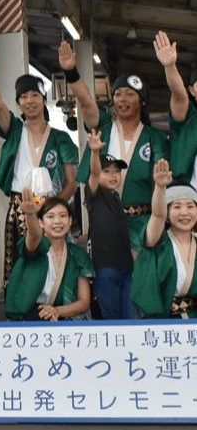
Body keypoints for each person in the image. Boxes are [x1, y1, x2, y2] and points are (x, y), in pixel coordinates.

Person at [0, 41, 78, 284]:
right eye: (23, 97)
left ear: (43, 99)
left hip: (52, 211)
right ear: (19, 103)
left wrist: (52, 210)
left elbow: (71, 183)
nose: (29, 101)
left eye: (35, 96)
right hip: (19, 208)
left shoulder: (61, 139)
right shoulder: (14, 130)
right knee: (20, 271)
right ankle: (21, 315)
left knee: (54, 269)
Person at [61, 40, 170, 258]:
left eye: (130, 94)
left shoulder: (154, 137)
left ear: (142, 101)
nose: (122, 99)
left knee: (138, 282)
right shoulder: (103, 128)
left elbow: (162, 180)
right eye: (118, 93)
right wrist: (71, 72)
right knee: (107, 281)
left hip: (142, 223)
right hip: (105, 220)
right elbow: (86, 102)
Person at [4, 189, 93, 321]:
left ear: (70, 221)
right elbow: (34, 236)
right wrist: (30, 214)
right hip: (31, 319)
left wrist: (57, 311)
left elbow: (84, 302)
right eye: (50, 216)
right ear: (41, 222)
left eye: (63, 216)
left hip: (64, 317)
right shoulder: (38, 247)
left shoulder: (78, 255)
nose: (57, 221)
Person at [131, 160, 197, 319]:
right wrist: (160, 187)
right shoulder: (158, 242)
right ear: (167, 213)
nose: (184, 213)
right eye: (177, 207)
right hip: (163, 323)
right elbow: (157, 215)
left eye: (190, 206)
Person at [84, 129, 137, 319]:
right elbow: (94, 172)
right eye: (107, 171)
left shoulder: (117, 199)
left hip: (126, 269)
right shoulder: (95, 196)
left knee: (131, 319)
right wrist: (95, 152)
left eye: (117, 171)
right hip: (105, 270)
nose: (113, 175)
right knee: (111, 321)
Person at [154, 30, 197, 188]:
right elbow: (179, 95)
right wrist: (170, 66)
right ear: (192, 90)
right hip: (187, 194)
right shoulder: (189, 116)